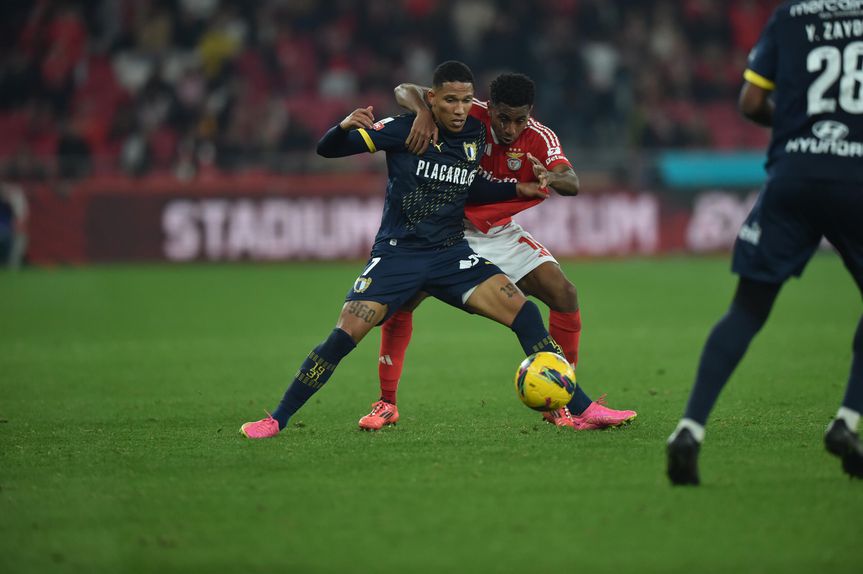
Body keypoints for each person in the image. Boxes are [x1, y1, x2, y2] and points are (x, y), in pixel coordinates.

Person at [240, 61, 559, 438]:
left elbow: (467, 189)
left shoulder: (474, 134)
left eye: (466, 100)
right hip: (398, 255)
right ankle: (277, 418)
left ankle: (574, 407)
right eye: (451, 100)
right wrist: (343, 126)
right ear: (433, 99)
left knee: (525, 312)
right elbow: (329, 149)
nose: (460, 109)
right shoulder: (403, 129)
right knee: (344, 335)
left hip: (449, 254)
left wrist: (514, 189)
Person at [357, 73, 637, 431]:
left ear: (530, 113)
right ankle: (387, 402)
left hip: (497, 231)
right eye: (503, 118)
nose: (510, 128)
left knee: (563, 292)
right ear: (490, 108)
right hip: (444, 228)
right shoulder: (467, 111)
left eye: (519, 119)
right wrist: (422, 112)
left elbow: (572, 180)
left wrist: (552, 178)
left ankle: (560, 398)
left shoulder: (539, 137)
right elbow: (403, 89)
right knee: (403, 305)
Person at [666, 2, 863, 484]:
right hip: (855, 178)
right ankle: (847, 421)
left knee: (747, 309)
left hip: (792, 176)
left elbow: (751, 102)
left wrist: (802, 131)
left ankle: (689, 429)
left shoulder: (792, 16)